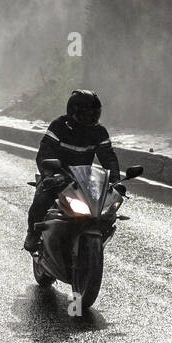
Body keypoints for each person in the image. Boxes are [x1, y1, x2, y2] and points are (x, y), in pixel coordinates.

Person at [24, 89, 121, 253]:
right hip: (57, 176)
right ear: (72, 112)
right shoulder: (59, 126)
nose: (89, 118)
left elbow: (108, 157)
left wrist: (115, 181)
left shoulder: (99, 132)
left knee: (106, 211)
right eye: (84, 114)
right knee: (41, 201)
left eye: (93, 114)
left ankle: (97, 236)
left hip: (83, 180)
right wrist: (49, 175)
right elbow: (45, 152)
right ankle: (32, 235)